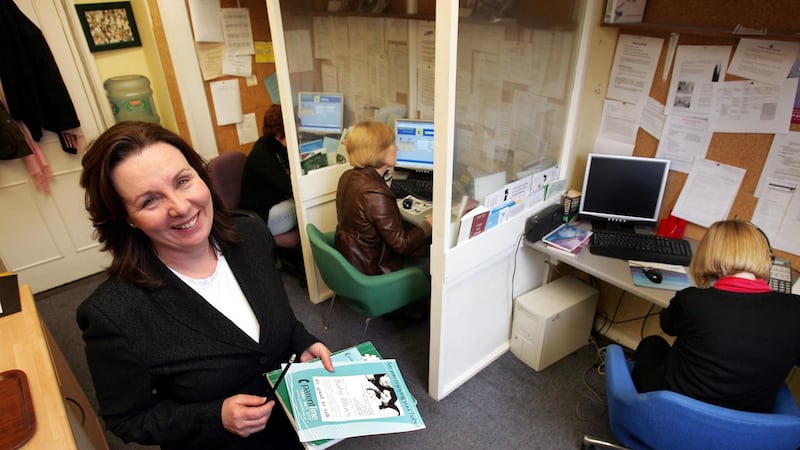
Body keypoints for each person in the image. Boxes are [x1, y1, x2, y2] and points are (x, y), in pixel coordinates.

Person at [77, 121, 334, 450]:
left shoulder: (251, 235)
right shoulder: (113, 314)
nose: (181, 207)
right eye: (150, 201)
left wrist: (301, 340)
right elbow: (127, 419)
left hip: (294, 424)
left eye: (183, 181)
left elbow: (279, 316)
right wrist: (214, 417)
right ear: (126, 218)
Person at [631, 219, 800, 413]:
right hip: (745, 429)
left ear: (709, 254)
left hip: (676, 412)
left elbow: (668, 326)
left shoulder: (692, 300)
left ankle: (639, 412)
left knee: (652, 345)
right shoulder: (795, 309)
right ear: (765, 257)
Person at [334, 120, 432, 276]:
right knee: (434, 261)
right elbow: (402, 245)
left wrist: (382, 184)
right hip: (375, 270)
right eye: (391, 144)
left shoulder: (347, 176)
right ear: (377, 151)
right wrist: (428, 223)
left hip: (355, 261)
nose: (397, 148)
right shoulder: (375, 193)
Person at [239, 104, 296, 236]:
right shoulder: (263, 154)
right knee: (301, 204)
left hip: (275, 204)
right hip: (261, 216)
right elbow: (288, 187)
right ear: (279, 132)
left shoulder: (276, 145)